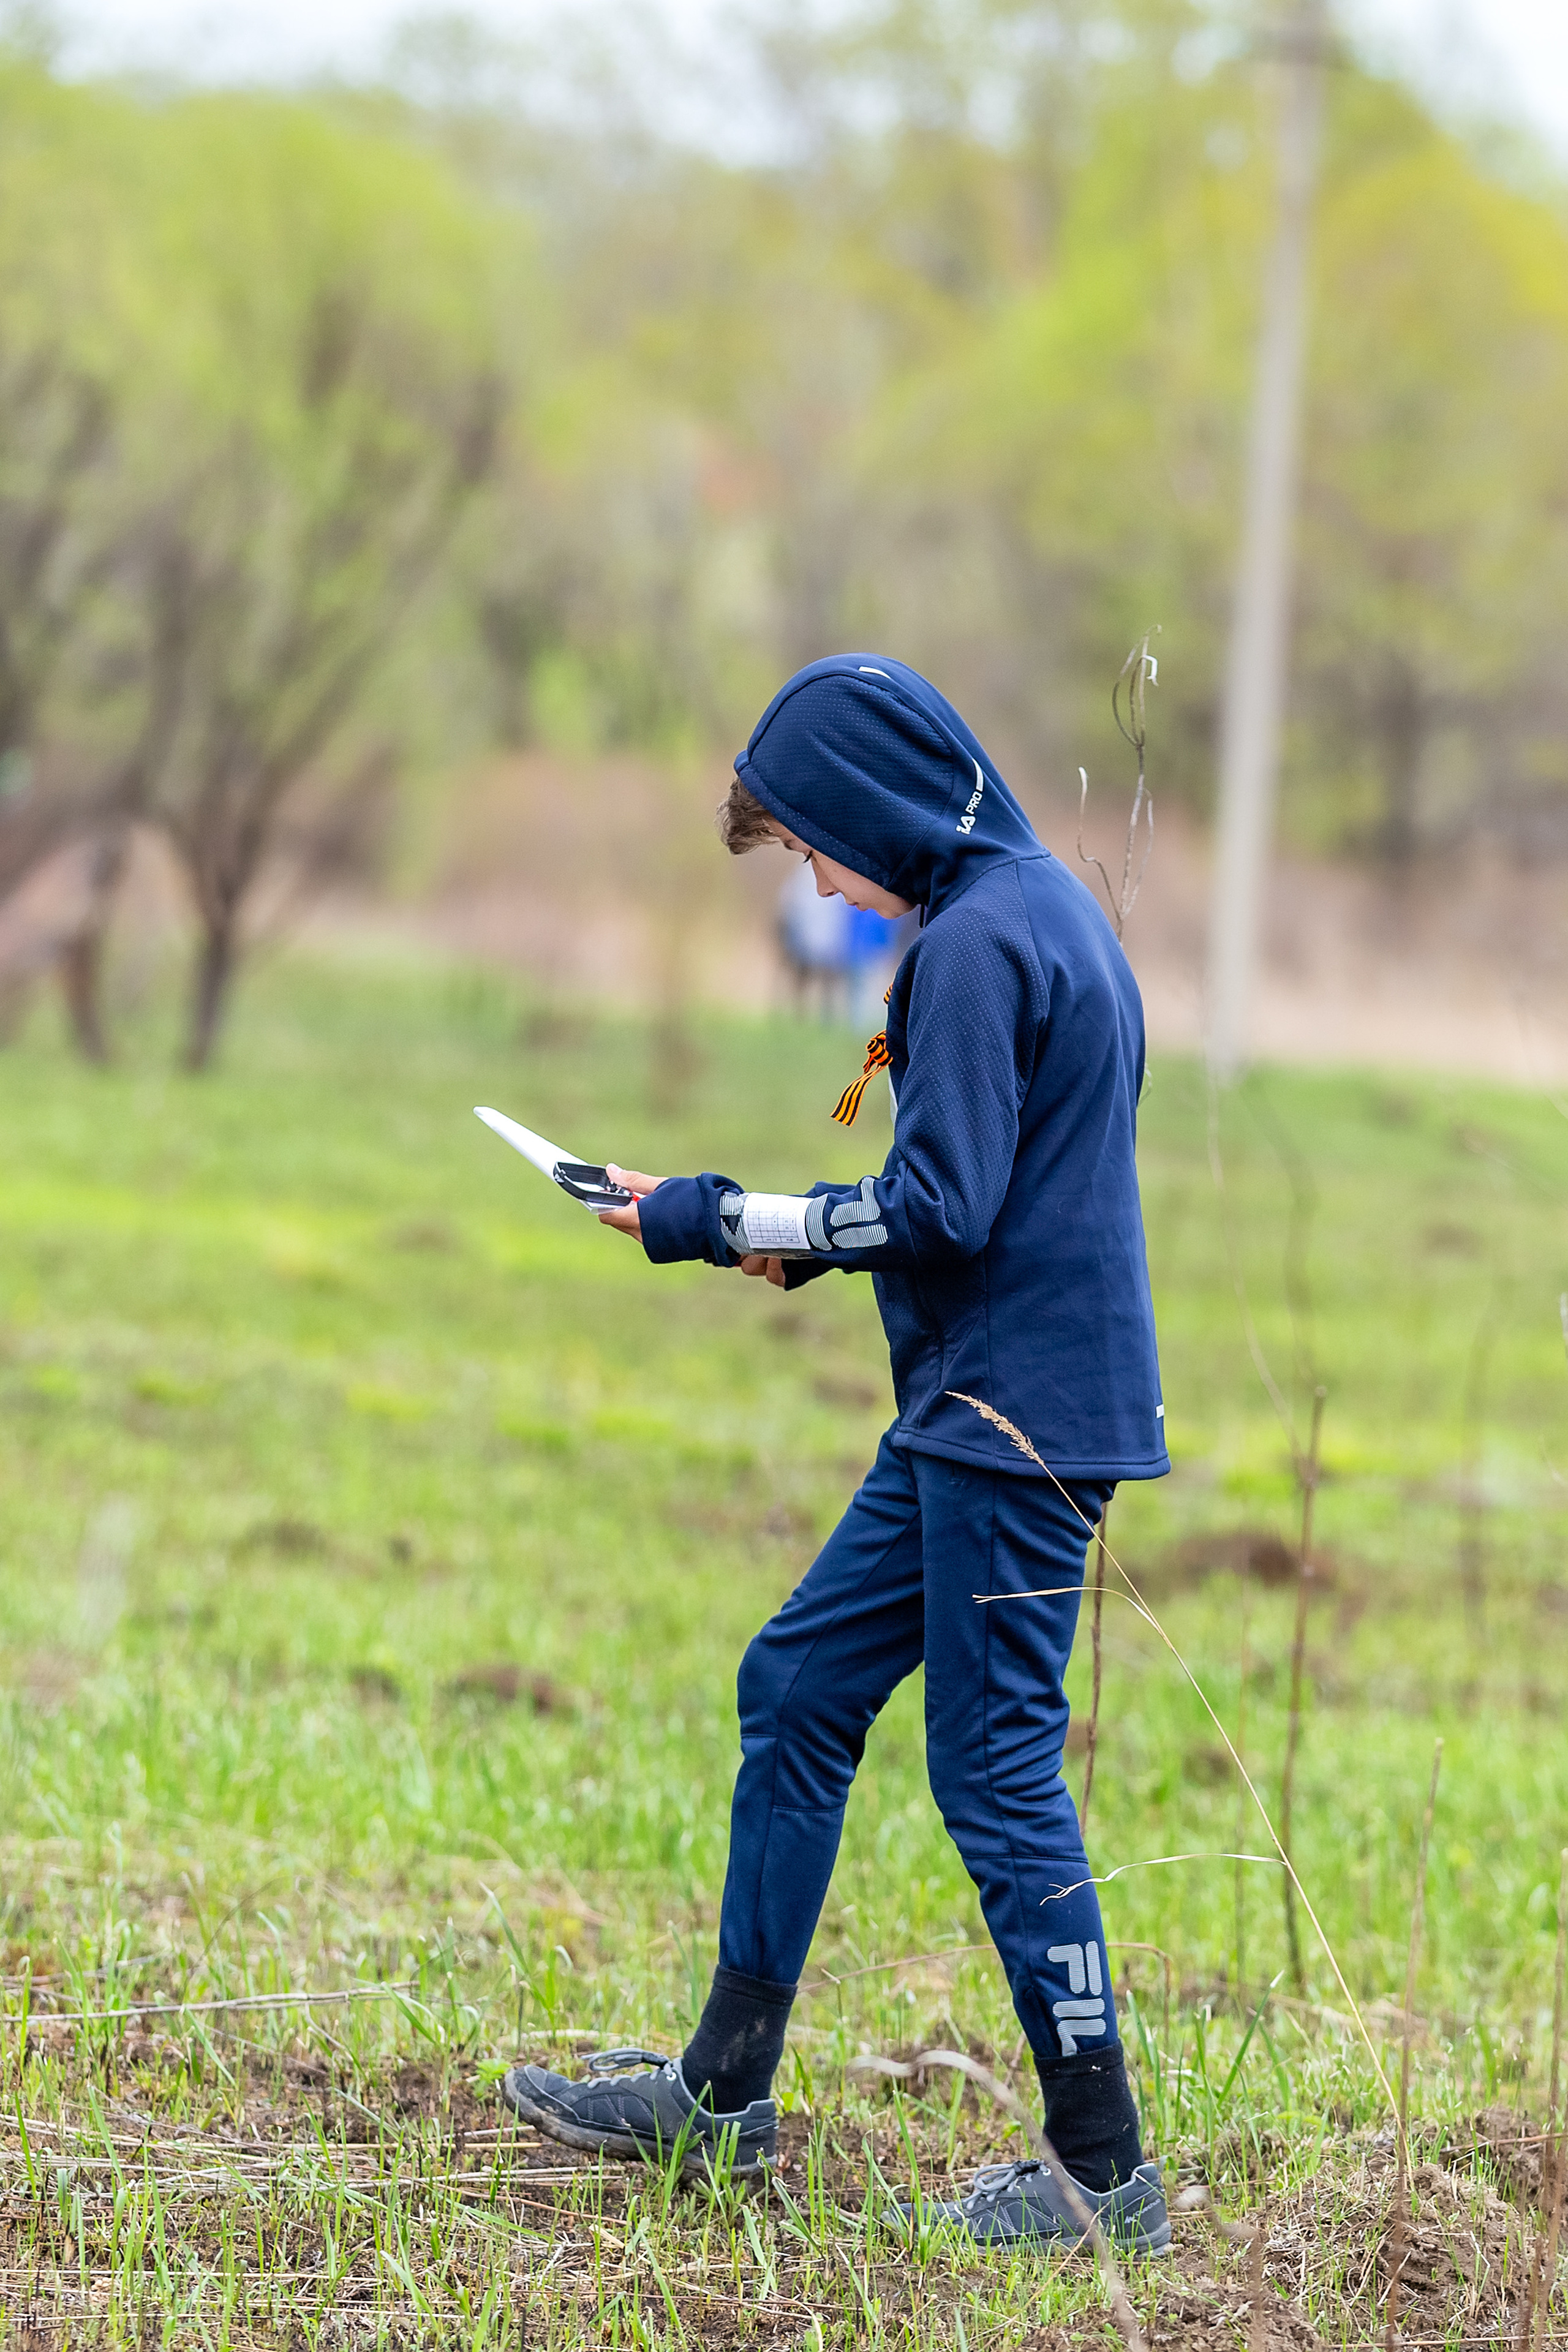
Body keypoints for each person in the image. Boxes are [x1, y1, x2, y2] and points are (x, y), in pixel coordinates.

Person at [501, 654, 1171, 2253]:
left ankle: (1102, 2179)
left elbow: (945, 1205)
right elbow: (975, 1197)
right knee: (799, 1685)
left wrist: (722, 1214)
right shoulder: (1038, 911)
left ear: (872, 810)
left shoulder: (978, 944)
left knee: (996, 1772)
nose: (816, 886)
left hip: (1012, 1428)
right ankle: (722, 2097)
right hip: (980, 1410)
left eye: (812, 851)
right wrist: (779, 1243)